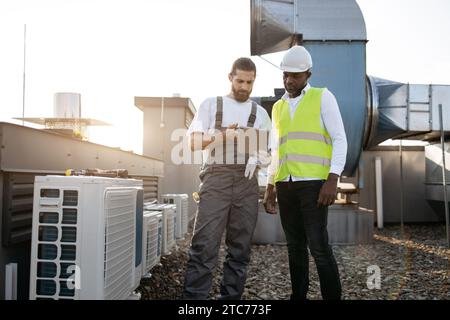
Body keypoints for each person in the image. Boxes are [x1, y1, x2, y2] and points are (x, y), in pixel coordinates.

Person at [183, 57, 271, 300]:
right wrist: (224, 135)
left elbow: (268, 153)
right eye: (240, 80)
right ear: (230, 77)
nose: (244, 87)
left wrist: (260, 158)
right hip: (215, 179)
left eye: (249, 82)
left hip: (247, 183)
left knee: (240, 250)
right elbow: (192, 143)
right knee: (204, 247)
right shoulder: (211, 105)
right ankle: (194, 302)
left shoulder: (260, 113)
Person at [263, 45, 347, 300]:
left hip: (314, 185)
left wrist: (333, 179)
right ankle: (298, 296)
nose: (289, 80)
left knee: (319, 248)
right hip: (285, 185)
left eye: (295, 76)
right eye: (285, 75)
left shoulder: (322, 97)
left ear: (308, 75)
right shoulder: (278, 107)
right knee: (294, 247)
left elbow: (340, 139)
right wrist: (269, 186)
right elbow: (275, 150)